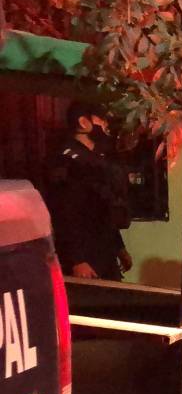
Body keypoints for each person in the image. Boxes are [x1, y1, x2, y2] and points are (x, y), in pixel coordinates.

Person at [43, 102, 132, 280]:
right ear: (83, 122)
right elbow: (62, 213)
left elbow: (104, 208)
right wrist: (76, 260)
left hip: (104, 250)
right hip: (84, 256)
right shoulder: (66, 160)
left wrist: (119, 247)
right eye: (101, 119)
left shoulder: (97, 158)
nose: (106, 124)